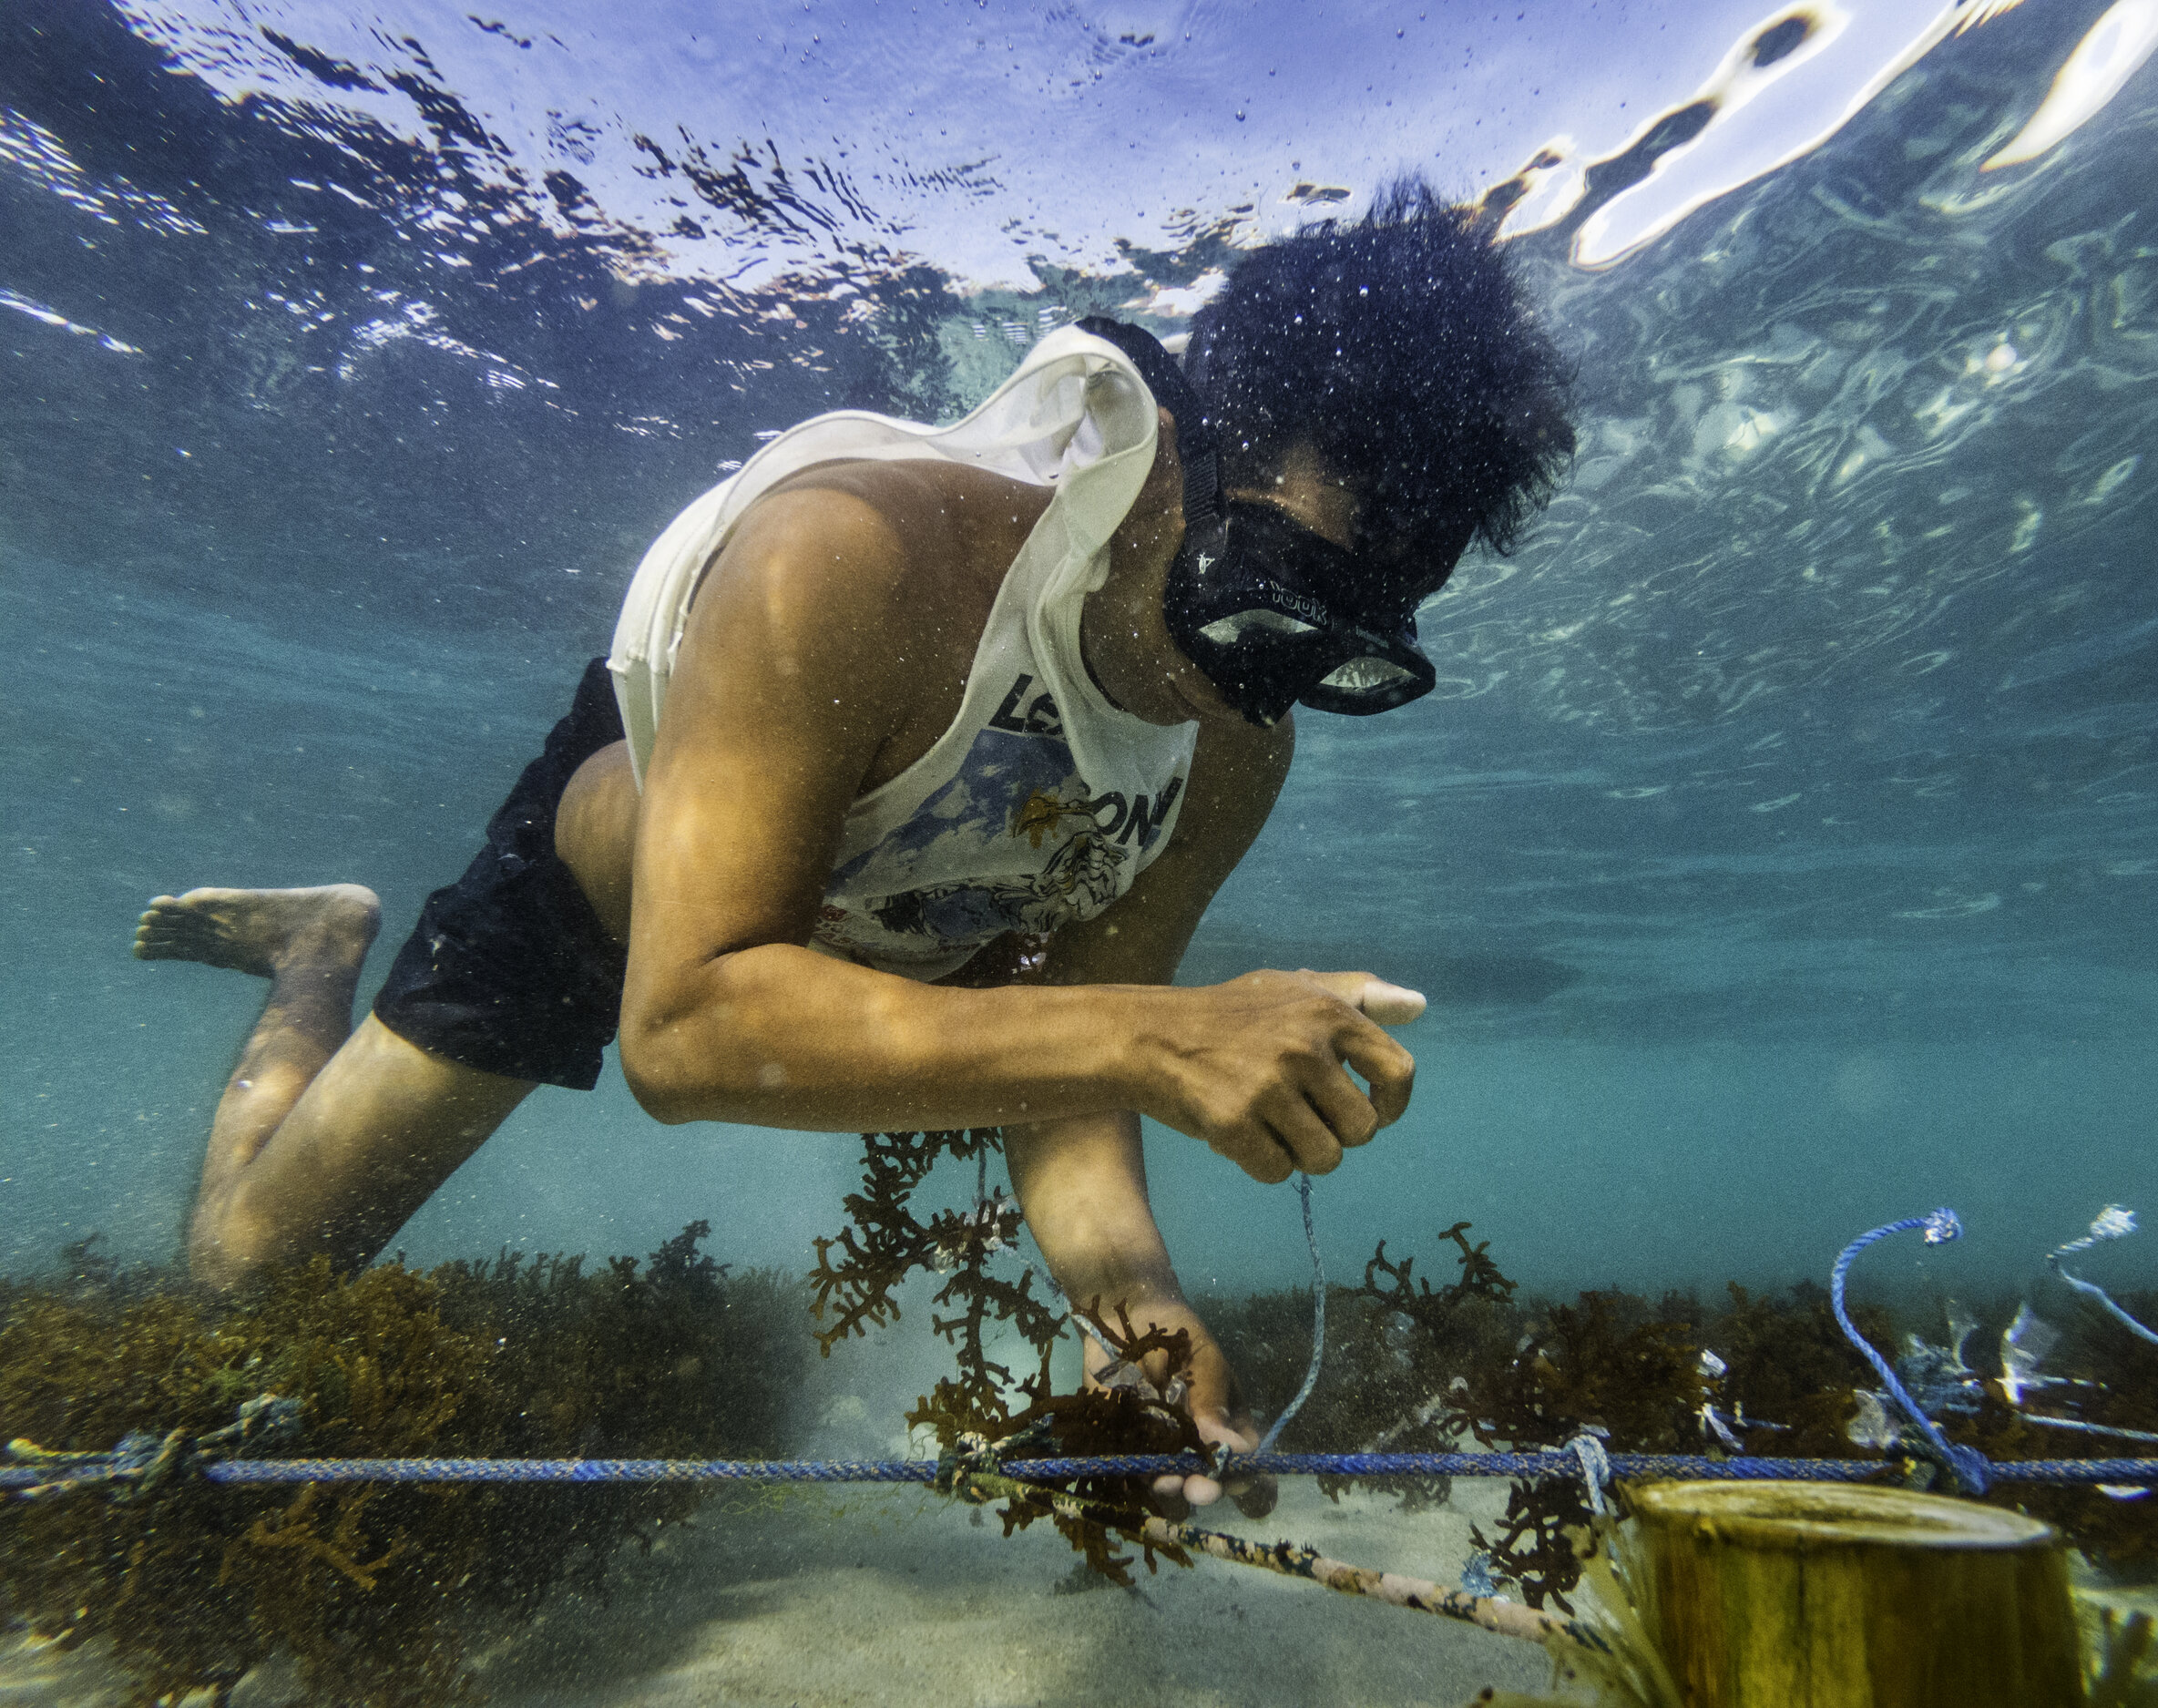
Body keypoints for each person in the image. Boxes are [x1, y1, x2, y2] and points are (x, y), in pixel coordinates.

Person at [132, 179, 1574, 1509]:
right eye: (1272, 596)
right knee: (248, 1271)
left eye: (1343, 657)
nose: (1263, 685)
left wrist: (1140, 1323)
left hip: (891, 943)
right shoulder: (851, 553)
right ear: (1173, 456)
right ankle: (314, 952)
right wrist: (1154, 1037)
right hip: (624, 907)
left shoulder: (1233, 752)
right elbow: (687, 1033)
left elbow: (1068, 1070)